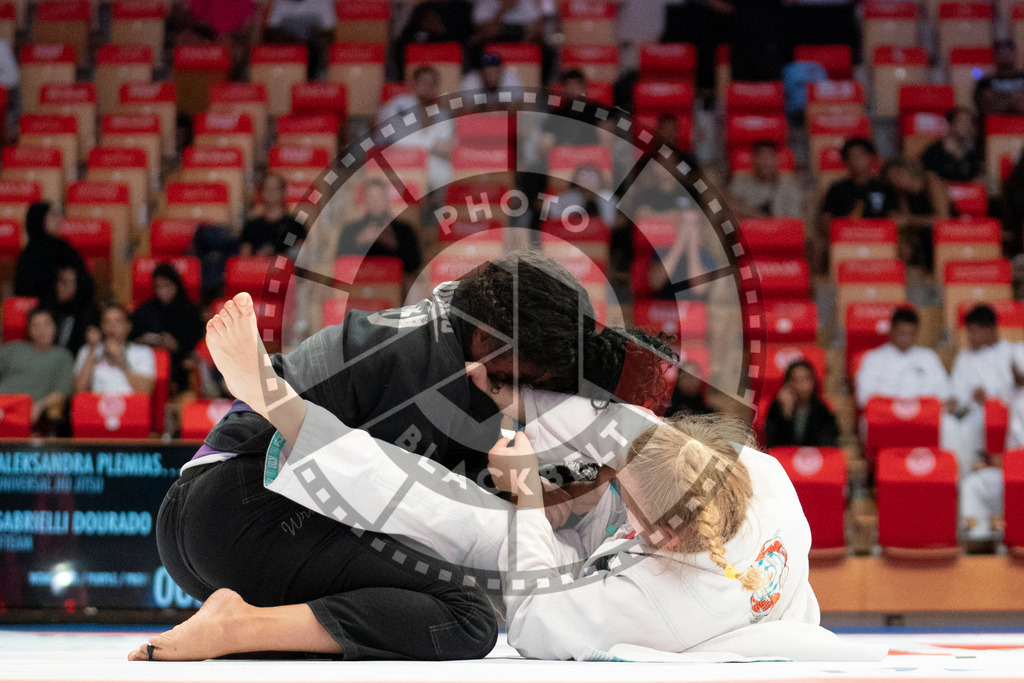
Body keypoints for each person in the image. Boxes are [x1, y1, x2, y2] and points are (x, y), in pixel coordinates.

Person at [128, 293, 885, 663]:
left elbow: (536, 623)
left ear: (653, 535)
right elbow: (625, 441)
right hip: (225, 513)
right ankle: (283, 414)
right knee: (468, 510)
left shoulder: (664, 599)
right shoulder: (763, 478)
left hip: (219, 509)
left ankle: (281, 414)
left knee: (470, 547)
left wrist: (526, 498)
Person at [137, 252, 673, 661]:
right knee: (464, 615)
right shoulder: (433, 371)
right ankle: (240, 627)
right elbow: (390, 493)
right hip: (245, 514)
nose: (539, 387)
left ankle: (252, 622)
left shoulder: (449, 327)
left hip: (214, 519)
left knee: (454, 558)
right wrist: (534, 500)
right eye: (540, 372)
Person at [946, 304, 1023, 475]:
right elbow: (956, 395)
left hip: (1008, 411)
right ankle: (959, 478)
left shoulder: (1014, 352)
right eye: (968, 331)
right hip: (974, 413)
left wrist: (991, 395)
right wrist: (966, 398)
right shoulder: (964, 357)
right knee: (949, 425)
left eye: (973, 331)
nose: (970, 336)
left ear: (990, 329)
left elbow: (1018, 386)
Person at [817, 138, 894, 273]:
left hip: (879, 238)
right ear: (845, 162)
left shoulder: (884, 187)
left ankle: (892, 279)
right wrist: (843, 232)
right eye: (851, 157)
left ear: (871, 158)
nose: (856, 160)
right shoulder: (836, 189)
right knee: (820, 247)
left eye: (860, 155)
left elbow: (894, 218)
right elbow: (825, 219)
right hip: (845, 238)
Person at [854, 307, 950, 410]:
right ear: (891, 330)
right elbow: (863, 397)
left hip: (923, 418)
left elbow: (944, 392)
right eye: (902, 333)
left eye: (911, 334)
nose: (906, 339)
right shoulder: (873, 358)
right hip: (885, 418)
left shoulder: (928, 357)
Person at [377, 66, 455, 192]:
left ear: (437, 87)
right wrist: (432, 145)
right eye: (424, 82)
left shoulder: (443, 115)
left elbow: (445, 148)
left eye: (432, 83)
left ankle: (435, 208)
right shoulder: (399, 104)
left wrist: (432, 147)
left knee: (446, 173)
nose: (427, 87)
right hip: (401, 159)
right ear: (414, 85)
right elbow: (398, 140)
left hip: (430, 162)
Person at [131, 263, 206, 393]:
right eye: (158, 287)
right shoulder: (145, 310)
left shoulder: (190, 311)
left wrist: (177, 345)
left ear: (176, 285)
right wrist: (144, 341)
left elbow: (197, 341)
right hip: (148, 361)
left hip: (180, 361)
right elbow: (131, 336)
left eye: (167, 286)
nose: (163, 291)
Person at [0, 307, 74, 430]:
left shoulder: (63, 356)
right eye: (36, 326)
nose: (42, 331)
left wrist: (40, 406)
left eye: (47, 324)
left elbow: (61, 393)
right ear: (29, 330)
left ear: (55, 327)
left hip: (27, 413)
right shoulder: (12, 348)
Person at [335, 178, 422, 275]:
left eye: (380, 197)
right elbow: (339, 265)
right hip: (359, 285)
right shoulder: (351, 230)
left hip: (392, 286)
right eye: (371, 197)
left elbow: (415, 265)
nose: (375, 202)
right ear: (365, 201)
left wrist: (393, 244)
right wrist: (358, 241)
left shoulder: (404, 230)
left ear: (387, 200)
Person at [881, 156, 952, 270]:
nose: (897, 180)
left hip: (948, 234)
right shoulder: (902, 194)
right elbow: (908, 223)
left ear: (909, 168)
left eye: (899, 174)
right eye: (892, 178)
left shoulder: (931, 181)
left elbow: (943, 220)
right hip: (921, 234)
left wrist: (908, 220)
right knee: (901, 247)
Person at [14, 202, 91, 300]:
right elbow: (23, 291)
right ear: (40, 219)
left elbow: (85, 283)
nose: (59, 220)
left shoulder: (63, 248)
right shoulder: (29, 254)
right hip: (40, 310)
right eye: (53, 216)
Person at [73, 305, 157, 396]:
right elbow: (79, 390)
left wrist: (121, 361)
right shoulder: (88, 349)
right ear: (101, 326)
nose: (112, 326)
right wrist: (92, 351)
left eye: (118, 321)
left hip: (130, 406)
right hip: (96, 406)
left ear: (128, 326)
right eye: (107, 321)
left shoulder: (142, 352)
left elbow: (145, 391)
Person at [764, 360, 839, 449]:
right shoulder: (776, 409)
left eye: (807, 379)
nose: (803, 385)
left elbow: (827, 444)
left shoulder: (822, 411)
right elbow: (774, 444)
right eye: (797, 380)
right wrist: (786, 414)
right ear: (788, 383)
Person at [648, 207, 717, 301]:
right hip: (665, 309)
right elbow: (655, 283)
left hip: (693, 311)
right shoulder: (662, 252)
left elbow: (699, 289)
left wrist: (693, 246)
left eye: (693, 225)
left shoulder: (707, 255)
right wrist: (679, 243)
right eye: (683, 224)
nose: (687, 229)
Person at [727, 140, 803, 219]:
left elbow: (795, 218)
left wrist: (766, 221)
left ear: (777, 159)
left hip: (780, 229)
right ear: (753, 159)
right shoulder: (740, 181)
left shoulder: (789, 184)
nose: (765, 162)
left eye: (769, 157)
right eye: (760, 157)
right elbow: (728, 208)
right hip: (748, 229)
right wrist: (753, 214)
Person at [240, 174, 306, 258]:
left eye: (275, 188)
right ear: (261, 192)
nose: (271, 192)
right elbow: (244, 256)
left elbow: (301, 254)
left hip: (286, 268)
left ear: (284, 192)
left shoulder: (295, 225)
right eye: (267, 188)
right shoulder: (252, 226)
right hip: (258, 268)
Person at [43, 264, 99, 356]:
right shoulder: (50, 308)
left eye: (64, 282)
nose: (58, 286)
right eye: (58, 281)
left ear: (78, 286)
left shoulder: (90, 314)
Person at [920, 107, 982, 183]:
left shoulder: (971, 155)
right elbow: (929, 180)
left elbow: (975, 178)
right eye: (961, 121)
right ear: (950, 124)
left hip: (966, 193)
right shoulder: (933, 152)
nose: (966, 125)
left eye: (970, 122)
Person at [974, 39, 1024, 117]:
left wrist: (999, 97)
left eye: (1008, 52)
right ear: (995, 56)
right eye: (1001, 53)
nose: (1005, 56)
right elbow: (985, 107)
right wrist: (1015, 97)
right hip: (994, 124)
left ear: (1015, 54)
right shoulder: (984, 82)